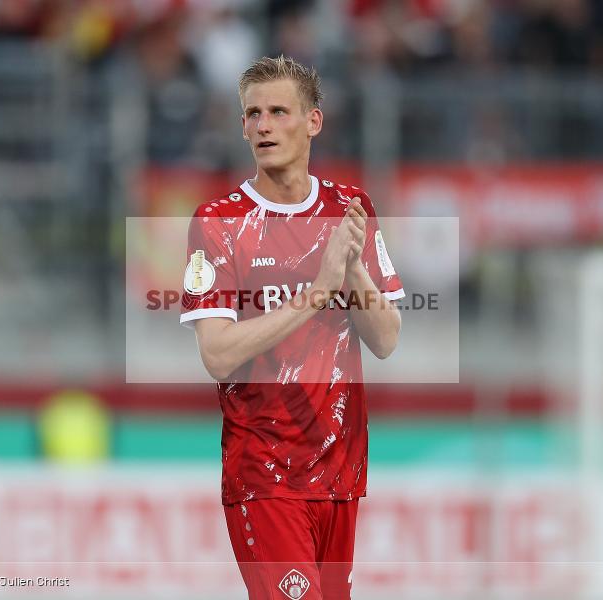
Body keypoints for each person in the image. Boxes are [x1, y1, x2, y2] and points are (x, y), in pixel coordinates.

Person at [179, 56, 404, 600]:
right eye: (252, 114)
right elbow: (217, 354)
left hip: (341, 471)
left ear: (313, 122)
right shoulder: (218, 222)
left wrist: (349, 269)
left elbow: (385, 339)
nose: (262, 125)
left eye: (279, 111)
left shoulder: (350, 209)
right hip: (264, 472)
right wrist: (317, 293)